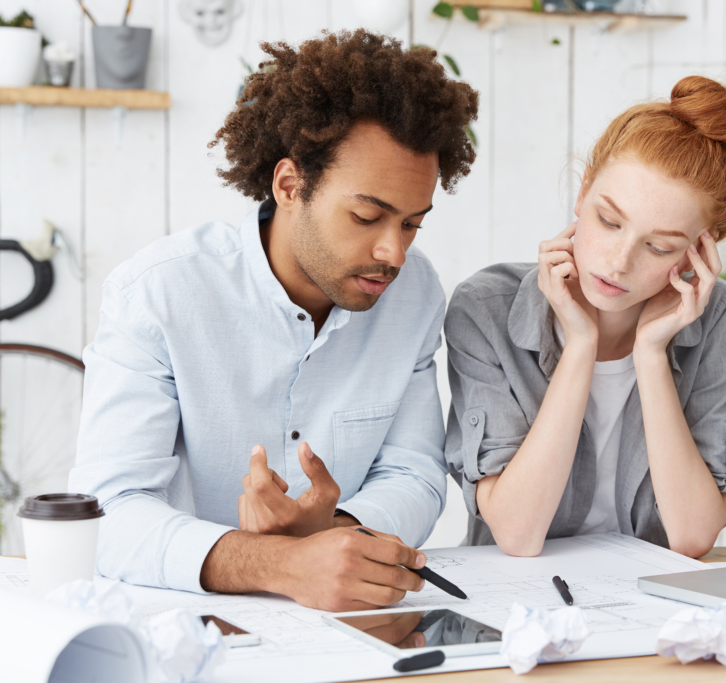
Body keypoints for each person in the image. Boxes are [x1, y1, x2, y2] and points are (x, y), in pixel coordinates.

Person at [69, 29, 479, 611]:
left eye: (412, 223)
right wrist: (281, 564)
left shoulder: (413, 293)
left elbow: (415, 472)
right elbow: (105, 510)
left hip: (350, 626)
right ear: (290, 185)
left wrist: (336, 529)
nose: (395, 252)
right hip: (184, 627)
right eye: (368, 216)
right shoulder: (159, 294)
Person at [444, 76, 726, 558]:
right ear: (583, 191)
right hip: (519, 608)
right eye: (609, 221)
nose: (619, 261)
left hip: (646, 607)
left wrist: (650, 355)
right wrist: (580, 346)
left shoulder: (714, 317)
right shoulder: (485, 308)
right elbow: (517, 533)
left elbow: (692, 537)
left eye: (659, 247)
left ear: (698, 251)